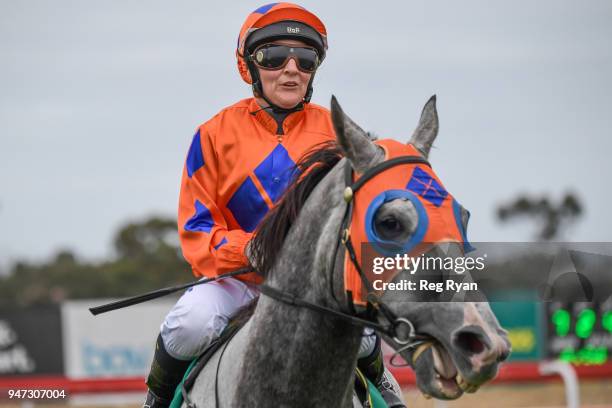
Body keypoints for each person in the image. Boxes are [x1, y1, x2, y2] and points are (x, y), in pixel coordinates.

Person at [143, 3, 406, 407]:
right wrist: (251, 251)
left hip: (316, 284)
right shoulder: (211, 135)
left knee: (365, 330)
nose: (291, 69)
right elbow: (197, 232)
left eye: (305, 58)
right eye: (273, 56)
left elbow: (361, 213)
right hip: (235, 281)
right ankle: (157, 400)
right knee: (188, 325)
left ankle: (384, 389)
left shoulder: (338, 132)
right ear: (248, 66)